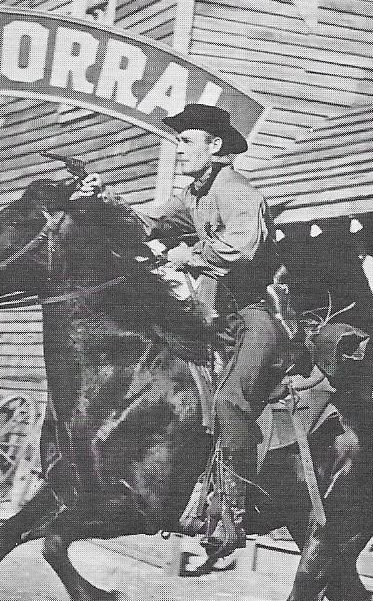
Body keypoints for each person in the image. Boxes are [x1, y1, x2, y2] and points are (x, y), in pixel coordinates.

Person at [73, 103, 293, 557]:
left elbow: (241, 251)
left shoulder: (237, 191)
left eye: (188, 140)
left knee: (230, 403)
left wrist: (188, 257)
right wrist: (103, 198)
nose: (181, 148)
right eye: (179, 140)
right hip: (214, 319)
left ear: (214, 147)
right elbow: (149, 223)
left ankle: (233, 514)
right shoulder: (192, 195)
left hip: (255, 320)